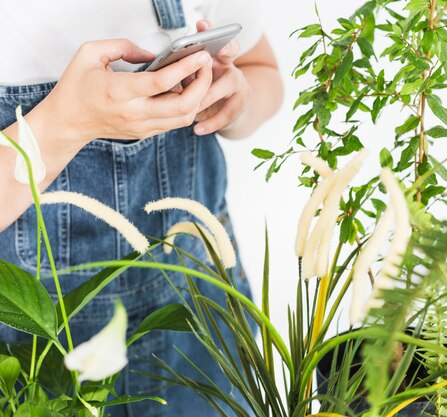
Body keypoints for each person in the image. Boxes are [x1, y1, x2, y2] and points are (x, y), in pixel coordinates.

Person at [0, 1, 282, 416]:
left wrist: (233, 102)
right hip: (43, 345)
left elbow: (264, 70)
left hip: (201, 319)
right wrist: (68, 122)